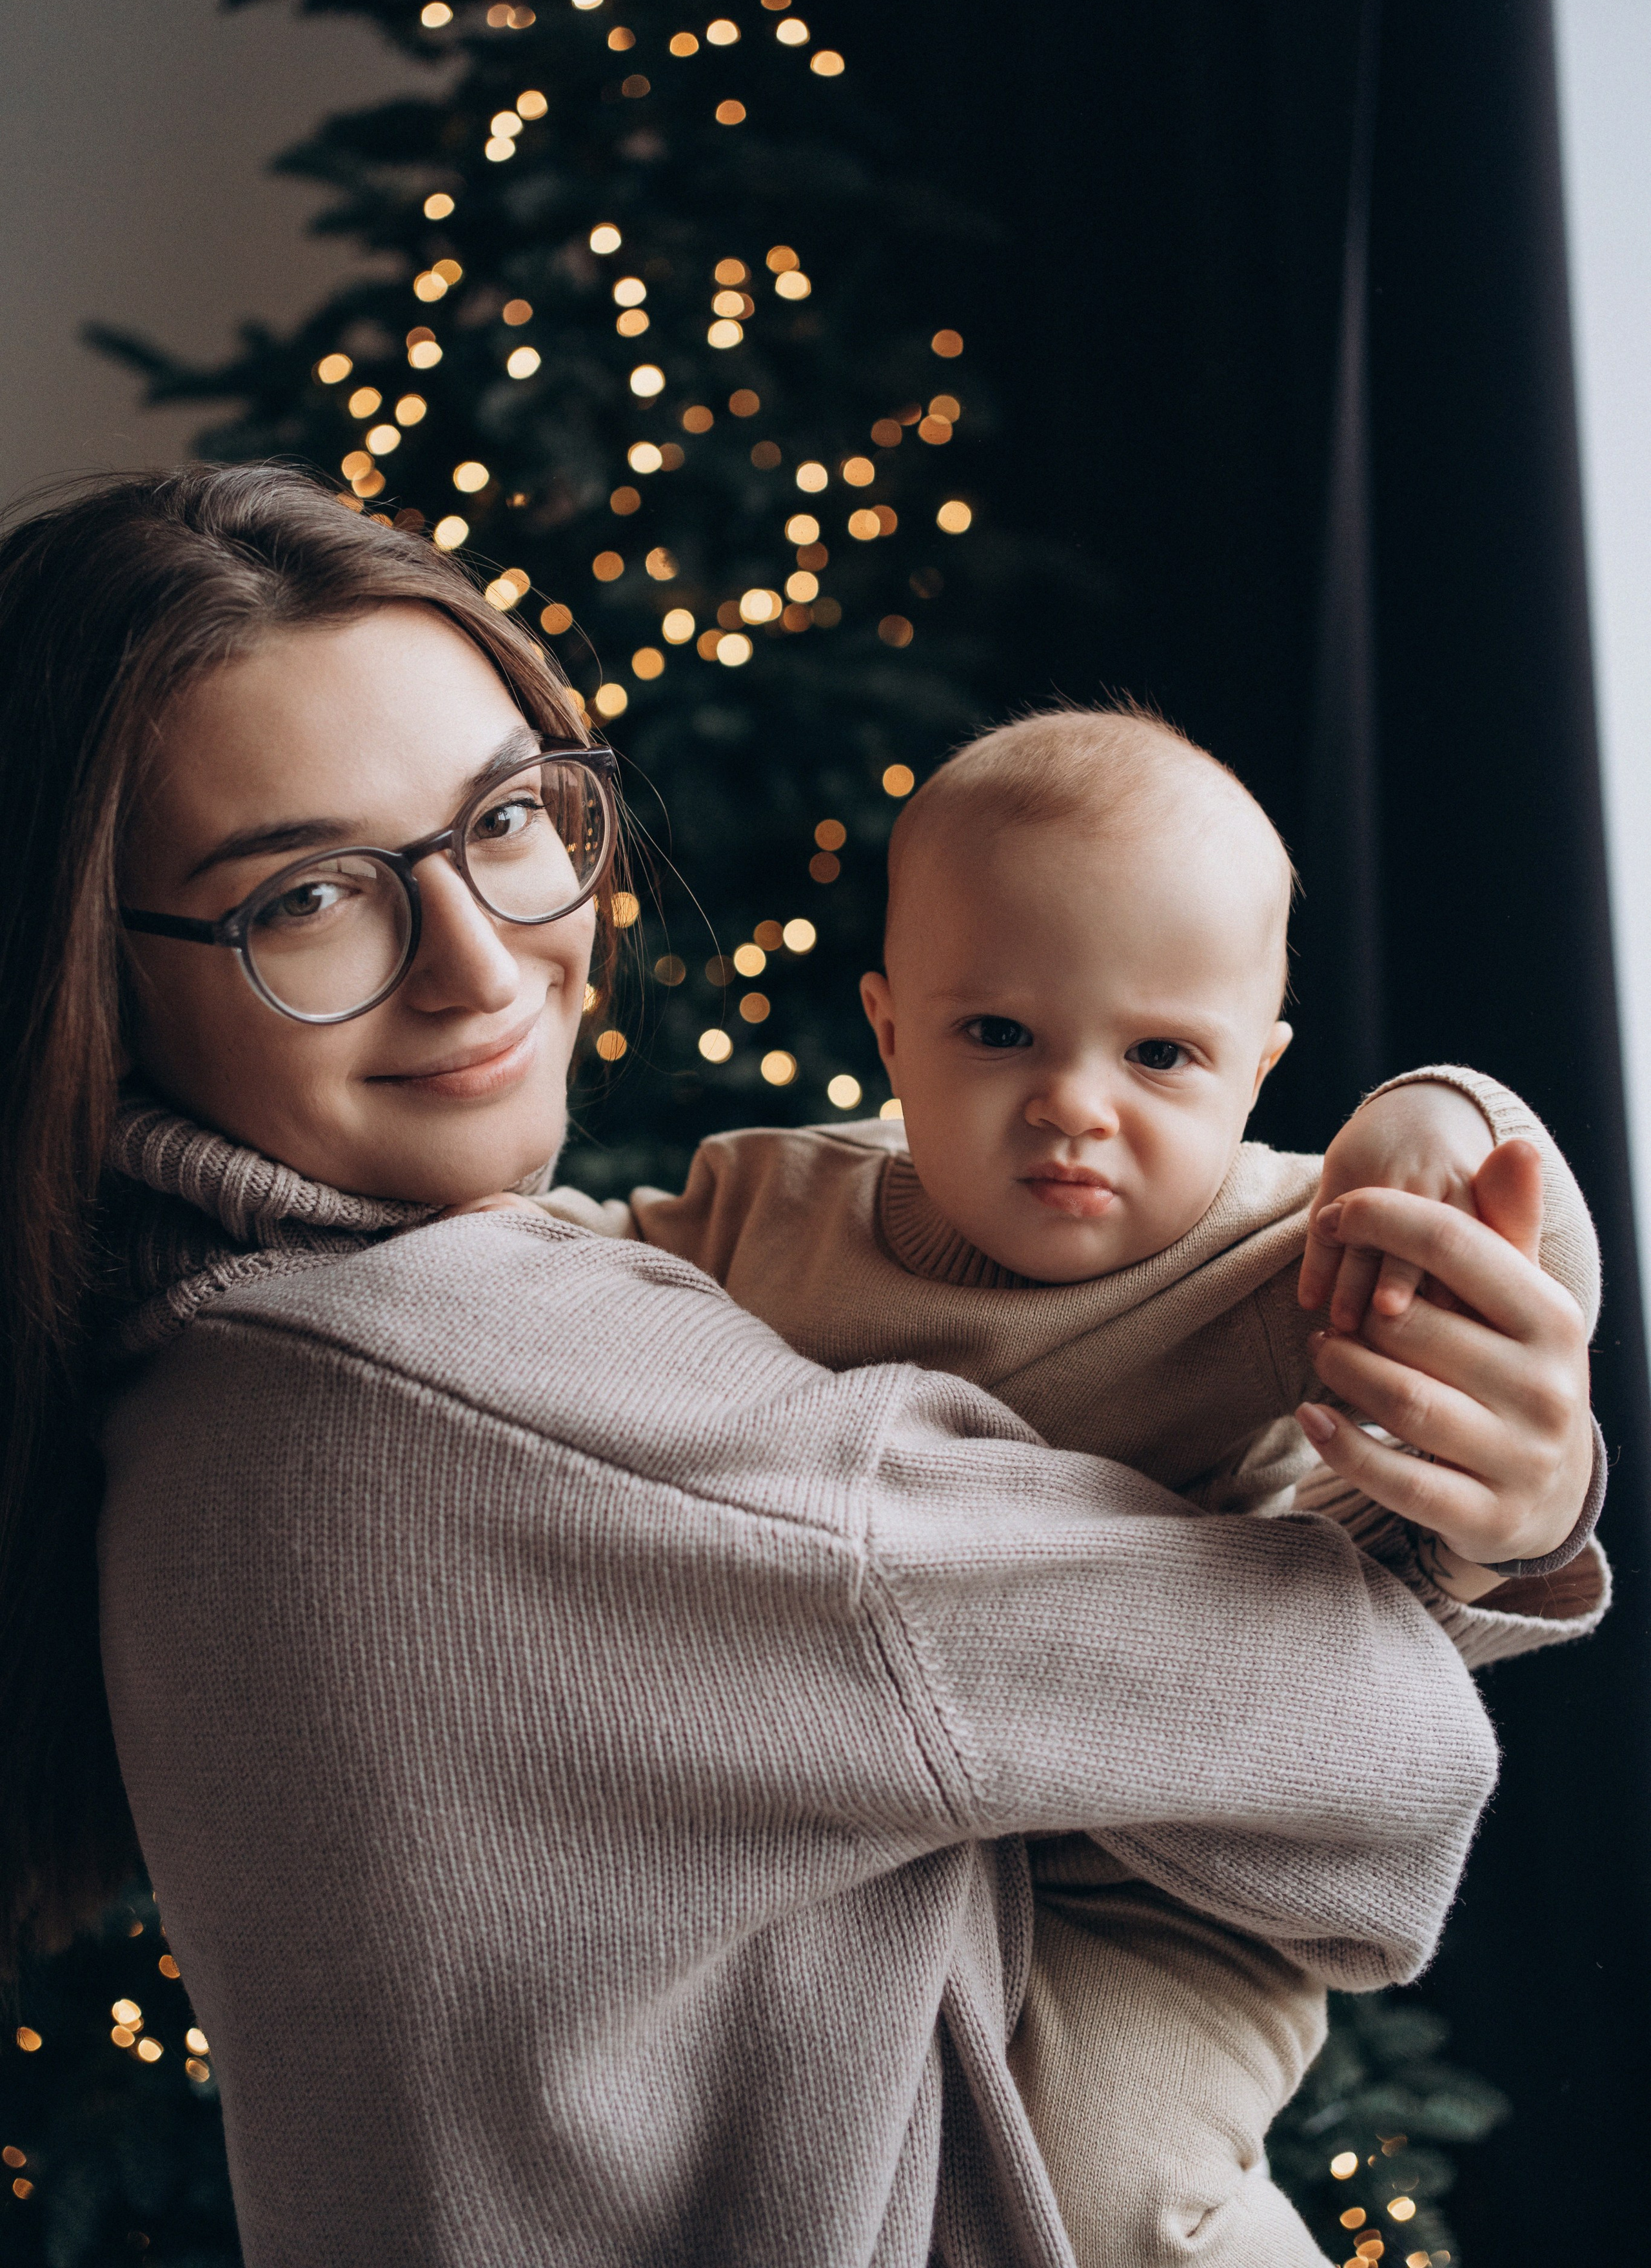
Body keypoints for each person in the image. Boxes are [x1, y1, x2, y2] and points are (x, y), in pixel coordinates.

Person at [0, 467, 1600, 2268]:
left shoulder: (178, 1384)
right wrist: (1495, 1523)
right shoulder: (469, 1388)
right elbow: (1379, 1743)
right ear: (91, 975)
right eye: (304, 898)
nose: (479, 961)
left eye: (510, 817)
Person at [517, 708, 1605, 2266]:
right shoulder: (771, 1210)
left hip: (1160, 1880)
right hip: (864, 1833)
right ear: (889, 1032)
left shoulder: (1280, 1250)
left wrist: (1437, 1117)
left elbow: (1520, 1258)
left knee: (1113, 2198)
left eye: (1160, 1055)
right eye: (996, 1035)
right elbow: (539, 1280)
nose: (1073, 1104)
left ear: (1257, 1069)